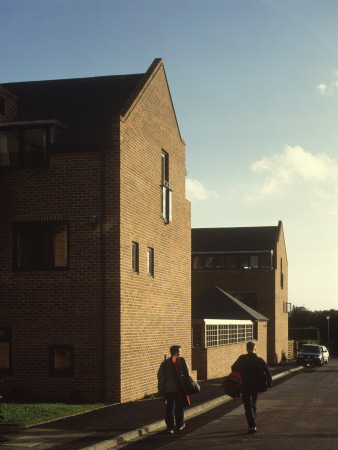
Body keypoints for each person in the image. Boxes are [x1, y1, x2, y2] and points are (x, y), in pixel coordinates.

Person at [231, 341, 272, 434]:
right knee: (253, 403)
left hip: (245, 385)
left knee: (247, 405)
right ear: (255, 349)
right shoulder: (259, 360)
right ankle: (253, 420)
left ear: (246, 349)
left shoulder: (242, 358)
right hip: (256, 386)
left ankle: (252, 425)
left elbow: (233, 368)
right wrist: (269, 384)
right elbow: (268, 371)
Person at [157, 345, 190, 434]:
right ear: (175, 352)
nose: (180, 353)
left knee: (169, 408)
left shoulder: (164, 363)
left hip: (168, 390)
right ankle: (179, 424)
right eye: (179, 351)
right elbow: (187, 374)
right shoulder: (181, 362)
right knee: (179, 407)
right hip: (178, 390)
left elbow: (160, 376)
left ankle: (170, 427)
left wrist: (161, 389)